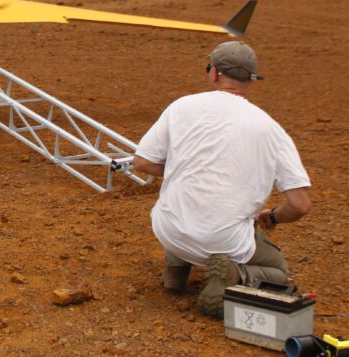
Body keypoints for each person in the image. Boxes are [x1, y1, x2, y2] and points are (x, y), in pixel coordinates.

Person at [131, 41, 311, 318]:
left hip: (168, 228)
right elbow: (299, 205)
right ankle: (234, 273)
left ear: (214, 73)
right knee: (278, 271)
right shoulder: (271, 129)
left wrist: (186, 170)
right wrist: (272, 217)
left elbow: (142, 162)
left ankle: (176, 270)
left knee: (184, 201)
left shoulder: (181, 107)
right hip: (223, 240)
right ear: (250, 79)